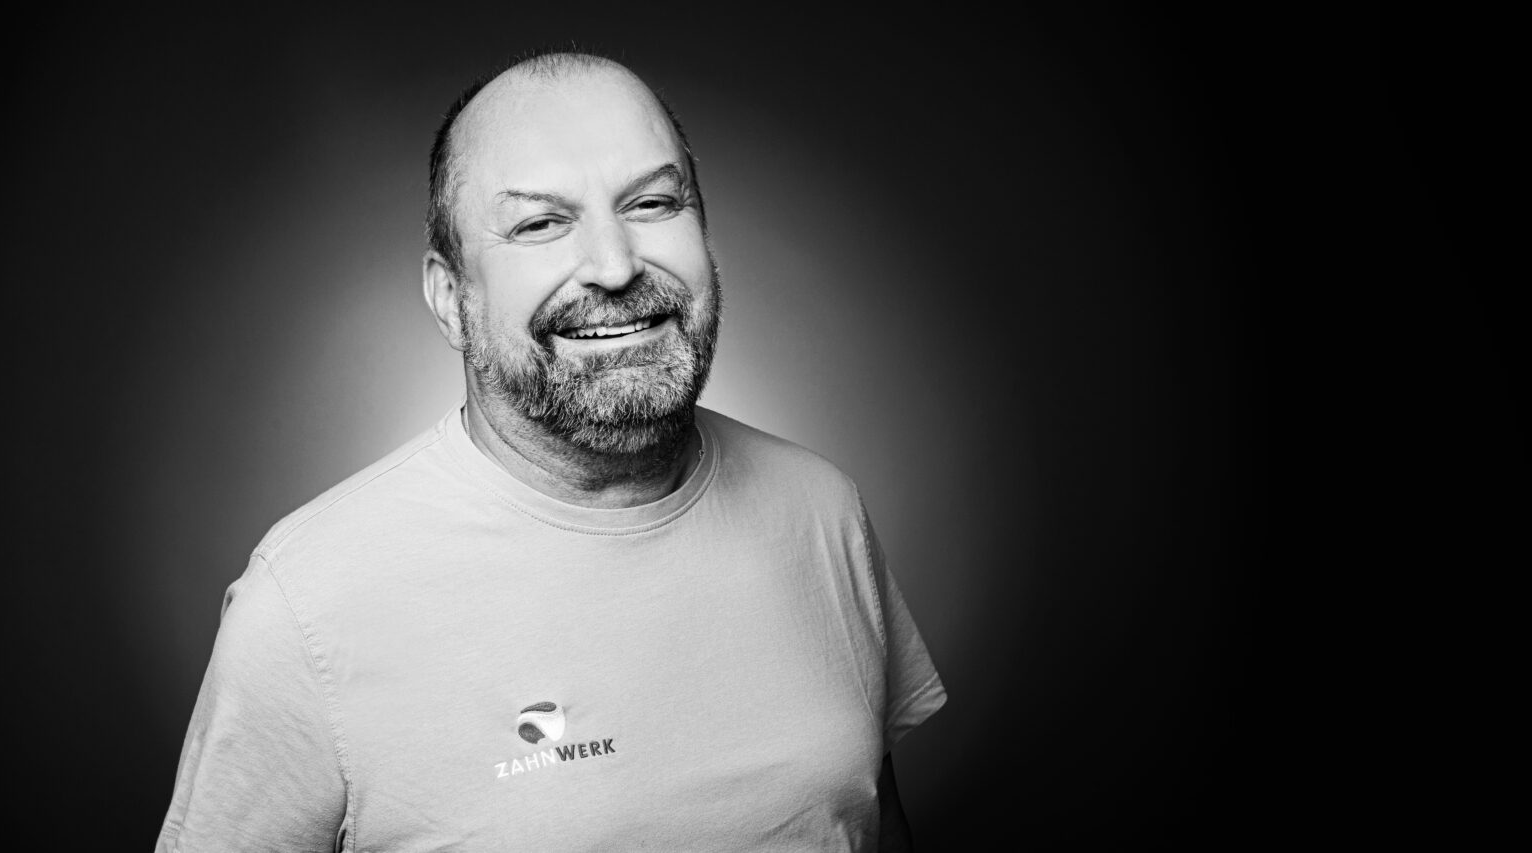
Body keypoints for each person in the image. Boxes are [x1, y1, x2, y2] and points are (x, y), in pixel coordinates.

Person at [158, 52, 945, 851]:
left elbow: (871, 821)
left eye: (652, 203)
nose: (615, 265)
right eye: (539, 223)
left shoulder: (822, 508)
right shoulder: (306, 605)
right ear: (450, 298)